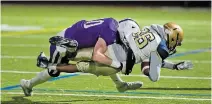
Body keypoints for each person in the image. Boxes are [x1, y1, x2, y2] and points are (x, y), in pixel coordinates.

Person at [20, 18, 143, 96]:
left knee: (108, 56)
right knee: (54, 70)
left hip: (74, 39)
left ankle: (120, 85)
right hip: (62, 44)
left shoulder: (112, 25)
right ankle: (28, 83)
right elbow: (97, 56)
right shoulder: (110, 33)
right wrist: (118, 65)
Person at [118, 22, 193, 81]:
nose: (175, 46)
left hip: (121, 41)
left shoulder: (151, 29)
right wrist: (173, 66)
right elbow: (152, 67)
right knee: (155, 78)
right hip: (122, 58)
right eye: (177, 42)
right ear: (172, 38)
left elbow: (149, 61)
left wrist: (174, 66)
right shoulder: (158, 45)